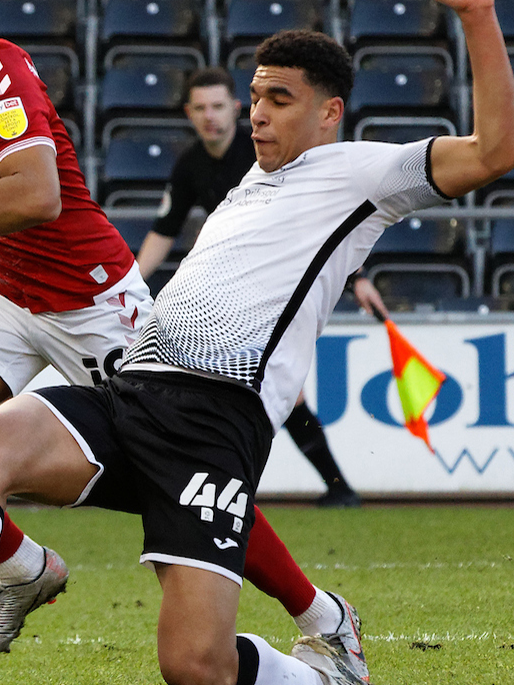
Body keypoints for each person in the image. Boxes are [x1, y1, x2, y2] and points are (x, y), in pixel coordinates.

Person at [0, 0, 514, 685]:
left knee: (196, 672)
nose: (257, 113)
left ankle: (328, 663)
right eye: (256, 96)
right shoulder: (249, 182)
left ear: (330, 112)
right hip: (135, 380)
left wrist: (477, 14)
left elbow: (494, 152)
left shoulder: (363, 174)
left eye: (279, 99)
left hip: (213, 418)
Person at [134, 67, 373, 509]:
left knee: (277, 388)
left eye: (219, 106)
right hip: (239, 290)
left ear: (237, 109)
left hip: (288, 280)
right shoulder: (190, 164)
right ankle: (328, 487)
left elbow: (319, 213)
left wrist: (356, 278)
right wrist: (129, 283)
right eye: (201, 108)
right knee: (257, 388)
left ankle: (333, 486)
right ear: (189, 113)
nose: (211, 117)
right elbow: (163, 230)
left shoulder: (263, 151)